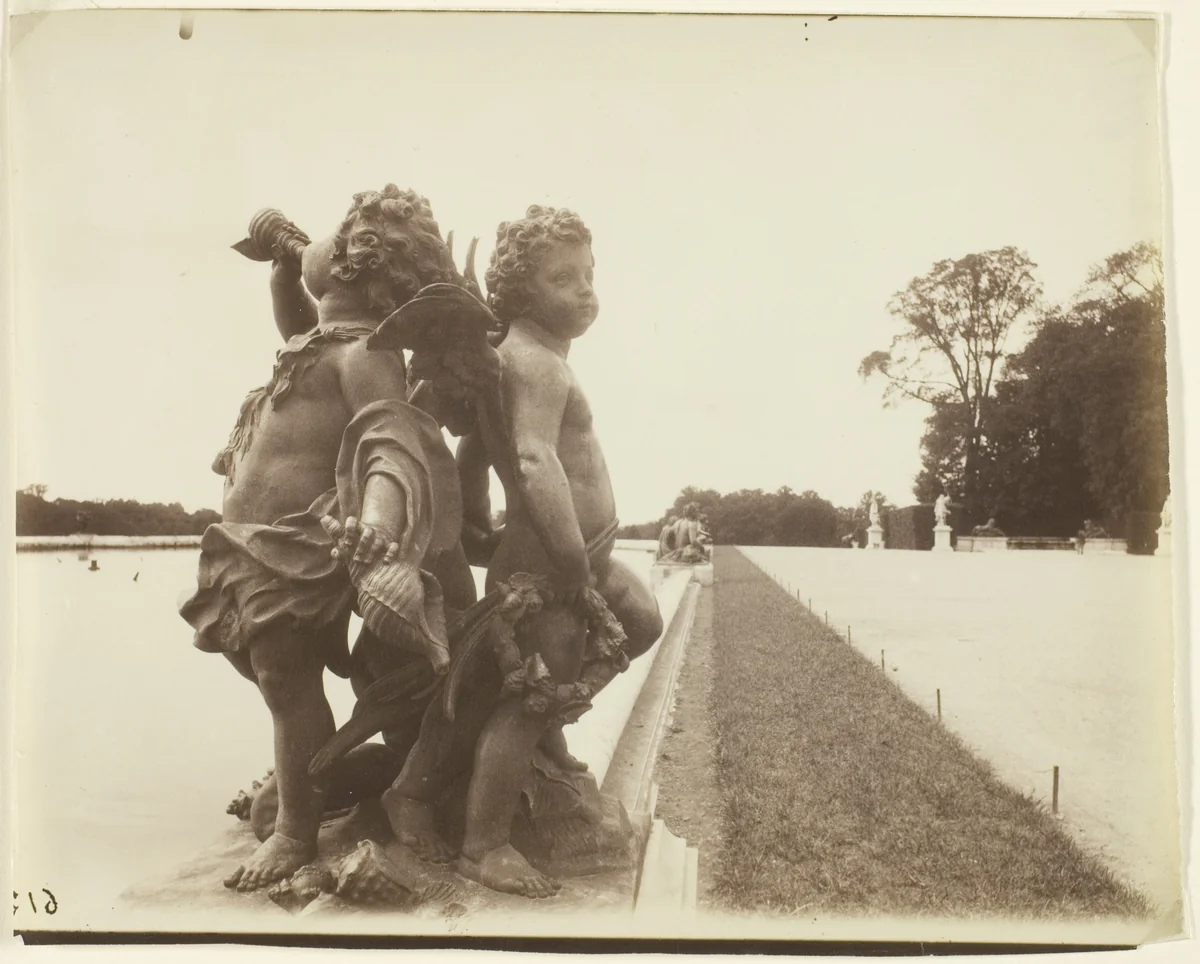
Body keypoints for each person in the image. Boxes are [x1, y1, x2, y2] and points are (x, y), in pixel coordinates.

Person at [180, 186, 467, 892]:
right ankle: (322, 776)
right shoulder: (325, 337)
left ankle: (294, 833)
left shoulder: (368, 353)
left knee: (286, 678)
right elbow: (293, 325)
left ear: (352, 267)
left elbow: (388, 441)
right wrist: (282, 269)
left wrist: (376, 523)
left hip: (301, 549)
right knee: (275, 676)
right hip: (249, 546)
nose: (314, 243)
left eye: (332, 237)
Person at [383, 205, 663, 898]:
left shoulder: (510, 360)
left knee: (638, 621)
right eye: (563, 277)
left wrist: (478, 520)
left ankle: (422, 789)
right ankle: (486, 845)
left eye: (589, 274)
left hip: (565, 558)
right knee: (525, 702)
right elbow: (535, 461)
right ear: (517, 291)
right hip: (552, 567)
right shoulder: (536, 363)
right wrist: (569, 560)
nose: (585, 289)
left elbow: (479, 449)